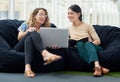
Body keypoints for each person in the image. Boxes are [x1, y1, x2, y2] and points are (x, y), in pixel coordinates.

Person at [14, 8, 62, 77]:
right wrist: (28, 31)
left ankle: (27, 69)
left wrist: (52, 45)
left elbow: (43, 43)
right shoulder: (26, 24)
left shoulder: (47, 27)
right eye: (41, 14)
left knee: (29, 40)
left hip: (32, 48)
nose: (43, 17)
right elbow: (19, 37)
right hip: (20, 47)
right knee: (33, 31)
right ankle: (45, 54)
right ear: (34, 16)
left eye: (45, 15)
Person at [67, 4, 109, 77]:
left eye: (71, 13)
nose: (69, 15)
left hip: (94, 48)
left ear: (78, 14)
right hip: (81, 49)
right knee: (79, 44)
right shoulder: (68, 28)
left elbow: (98, 41)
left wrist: (89, 45)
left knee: (87, 44)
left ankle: (96, 65)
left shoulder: (87, 25)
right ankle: (98, 68)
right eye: (68, 13)